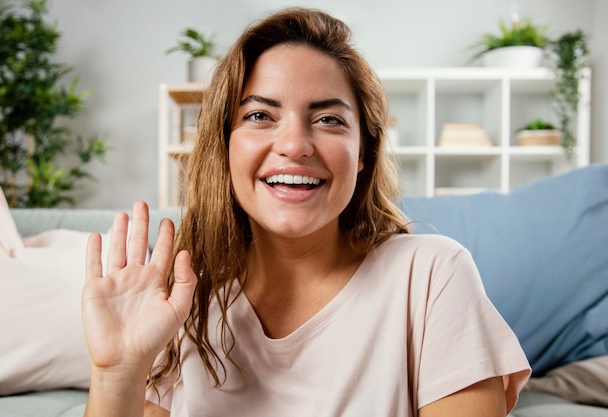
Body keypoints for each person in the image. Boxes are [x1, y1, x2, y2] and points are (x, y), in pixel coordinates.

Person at [81, 7, 531, 417]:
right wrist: (116, 373)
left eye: (329, 119)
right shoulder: (180, 302)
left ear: (362, 153)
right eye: (260, 116)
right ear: (225, 145)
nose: (295, 145)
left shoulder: (432, 275)